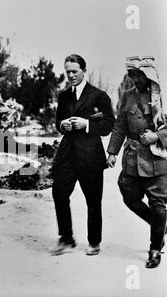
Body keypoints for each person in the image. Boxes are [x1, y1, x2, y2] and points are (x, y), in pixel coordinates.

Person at [51, 54, 115, 256]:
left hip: (90, 156)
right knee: (59, 194)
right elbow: (58, 122)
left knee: (93, 201)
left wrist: (86, 124)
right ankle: (66, 238)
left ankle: (94, 242)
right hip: (67, 154)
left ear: (84, 71)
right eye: (67, 71)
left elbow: (108, 125)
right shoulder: (63, 96)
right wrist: (64, 124)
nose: (70, 76)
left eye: (74, 72)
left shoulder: (99, 96)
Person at [106, 56, 167, 268]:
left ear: (148, 74)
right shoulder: (127, 95)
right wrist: (112, 151)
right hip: (132, 157)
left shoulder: (163, 95)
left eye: (139, 75)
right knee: (129, 196)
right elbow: (120, 125)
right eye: (132, 75)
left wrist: (158, 136)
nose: (135, 79)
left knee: (158, 205)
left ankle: (155, 248)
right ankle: (160, 226)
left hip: (157, 159)